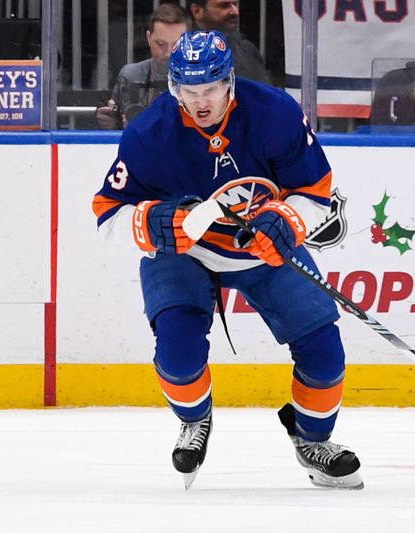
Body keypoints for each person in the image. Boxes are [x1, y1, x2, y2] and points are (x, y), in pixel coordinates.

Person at [92, 30, 362, 490]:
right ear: (175, 87)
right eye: (190, 91)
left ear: (229, 81)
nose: (200, 103)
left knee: (325, 355)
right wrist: (150, 222)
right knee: (178, 356)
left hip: (262, 247)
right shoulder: (148, 134)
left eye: (210, 90)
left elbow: (315, 192)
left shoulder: (274, 112)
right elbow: (108, 212)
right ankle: (195, 420)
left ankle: (312, 438)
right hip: (185, 253)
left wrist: (285, 218)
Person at [95, 3, 189, 130]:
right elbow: (116, 125)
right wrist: (111, 121)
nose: (168, 53)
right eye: (160, 44)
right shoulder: (130, 75)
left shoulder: (204, 79)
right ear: (149, 38)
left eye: (177, 45)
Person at [186, 0, 270, 84]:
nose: (235, 12)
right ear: (196, 11)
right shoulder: (183, 56)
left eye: (235, 4)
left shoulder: (246, 48)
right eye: (224, 6)